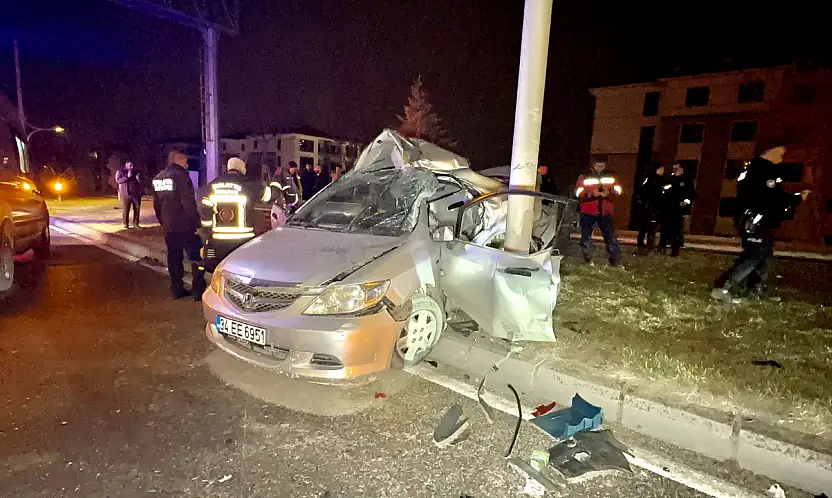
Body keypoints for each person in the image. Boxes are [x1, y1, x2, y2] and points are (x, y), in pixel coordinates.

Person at [710, 142, 810, 303]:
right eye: (779, 152)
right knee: (754, 255)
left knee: (764, 256)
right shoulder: (761, 171)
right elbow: (770, 199)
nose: (781, 157)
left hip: (757, 220)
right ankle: (722, 288)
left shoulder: (757, 170)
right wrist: (797, 198)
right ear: (768, 151)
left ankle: (755, 290)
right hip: (754, 220)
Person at [152, 151, 206, 300]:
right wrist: (197, 224)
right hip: (186, 226)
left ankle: (177, 289)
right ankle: (198, 289)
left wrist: (163, 221)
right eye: (185, 161)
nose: (187, 164)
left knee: (174, 258)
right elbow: (188, 202)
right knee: (197, 257)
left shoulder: (158, 178)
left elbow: (156, 204)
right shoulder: (181, 176)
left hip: (169, 226)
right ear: (178, 160)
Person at [575, 156, 623, 266]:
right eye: (598, 165)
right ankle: (587, 260)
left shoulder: (612, 176)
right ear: (593, 164)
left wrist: (609, 192)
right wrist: (591, 193)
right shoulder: (585, 175)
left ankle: (615, 262)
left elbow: (619, 190)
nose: (600, 168)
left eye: (602, 166)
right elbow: (578, 191)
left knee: (610, 238)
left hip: (605, 212)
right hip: (588, 211)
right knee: (586, 237)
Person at [658, 162, 695, 257]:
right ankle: (662, 247)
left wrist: (686, 202)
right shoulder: (670, 179)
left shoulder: (686, 180)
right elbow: (664, 190)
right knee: (664, 229)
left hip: (678, 210)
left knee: (676, 230)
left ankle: (675, 250)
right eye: (673, 168)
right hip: (667, 208)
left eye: (676, 168)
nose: (674, 170)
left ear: (681, 169)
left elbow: (691, 194)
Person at [635, 163, 665, 255]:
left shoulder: (648, 178)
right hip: (652, 207)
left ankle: (642, 243)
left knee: (644, 227)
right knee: (651, 227)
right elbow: (657, 194)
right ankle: (649, 245)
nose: (663, 171)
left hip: (647, 207)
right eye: (661, 169)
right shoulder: (656, 180)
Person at [115, 160, 143, 229]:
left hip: (136, 194)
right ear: (126, 165)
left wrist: (138, 179)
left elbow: (141, 182)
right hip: (126, 194)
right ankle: (125, 224)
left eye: (132, 165)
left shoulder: (135, 172)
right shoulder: (120, 171)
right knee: (126, 209)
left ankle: (136, 223)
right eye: (130, 165)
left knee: (137, 208)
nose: (132, 167)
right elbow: (118, 180)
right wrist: (127, 176)